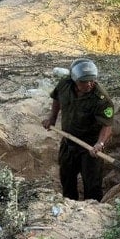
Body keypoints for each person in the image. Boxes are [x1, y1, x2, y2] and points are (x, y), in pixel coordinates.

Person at [42, 58, 114, 201]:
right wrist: (52, 118)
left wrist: (100, 144)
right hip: (68, 142)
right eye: (84, 81)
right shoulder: (64, 85)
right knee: (67, 180)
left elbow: (107, 126)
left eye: (92, 80)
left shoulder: (101, 99)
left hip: (90, 148)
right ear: (75, 80)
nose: (89, 84)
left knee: (92, 185)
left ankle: (92, 214)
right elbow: (57, 99)